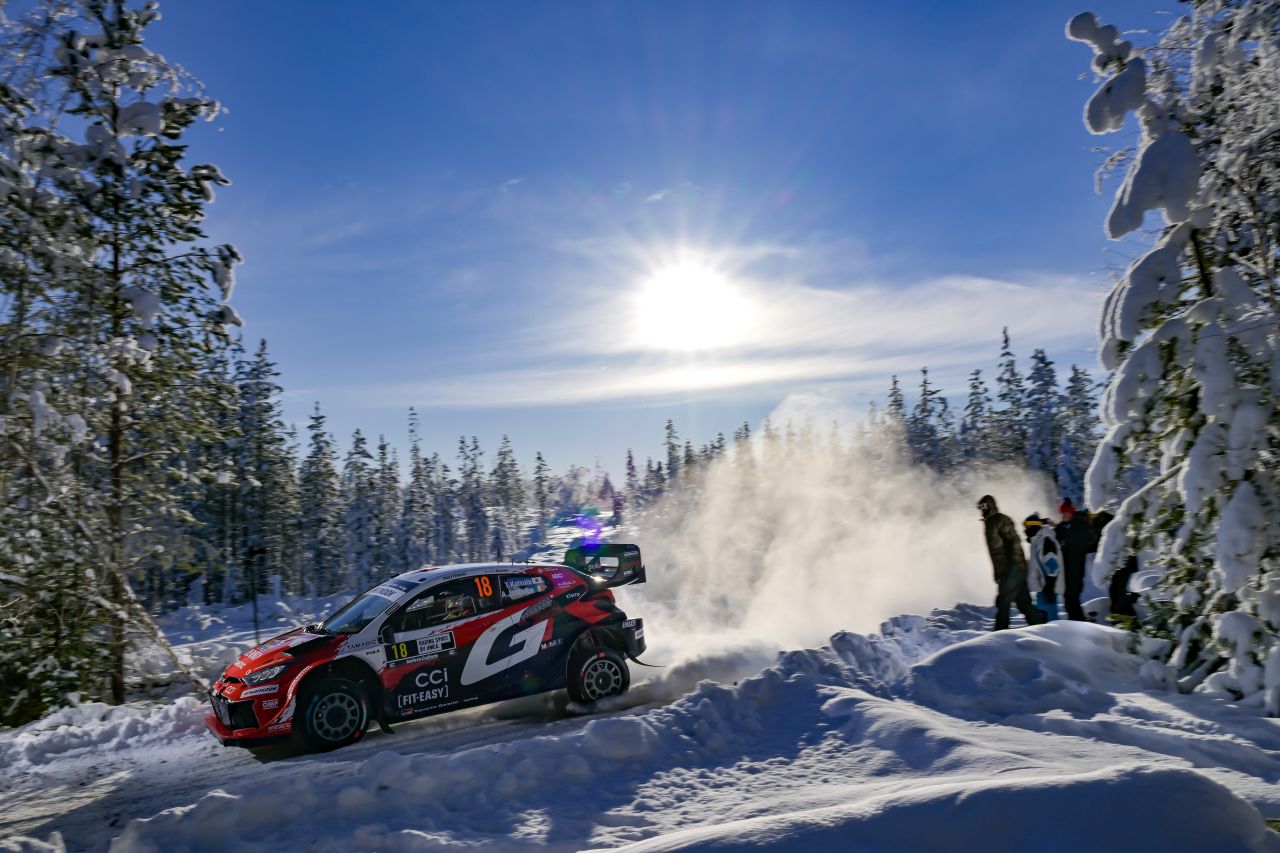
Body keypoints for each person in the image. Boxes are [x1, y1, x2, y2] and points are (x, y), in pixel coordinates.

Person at [979, 495, 1042, 630]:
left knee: (1003, 601)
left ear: (991, 505)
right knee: (1023, 603)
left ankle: (1000, 634)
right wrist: (998, 574)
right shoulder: (989, 524)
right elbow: (996, 554)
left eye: (984, 506)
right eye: (980, 507)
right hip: (1009, 569)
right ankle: (1041, 626)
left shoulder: (1001, 520)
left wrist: (1015, 564)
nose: (982, 509)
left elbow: (1015, 541)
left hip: (1013, 567)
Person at [1055, 498, 1093, 621]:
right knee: (1069, 598)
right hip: (1067, 569)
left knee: (1071, 597)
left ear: (1071, 512)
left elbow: (1075, 540)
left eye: (1067, 512)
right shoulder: (1064, 526)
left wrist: (1061, 531)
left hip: (1075, 569)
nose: (1064, 515)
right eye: (1063, 513)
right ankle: (1077, 621)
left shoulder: (1080, 525)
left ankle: (1077, 623)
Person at [1024, 513, 1064, 621]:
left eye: (1027, 526)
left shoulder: (1046, 541)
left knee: (1050, 622)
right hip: (1042, 590)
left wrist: (1049, 589)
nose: (1025, 530)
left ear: (1033, 526)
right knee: (1043, 623)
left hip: (1048, 591)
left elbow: (1053, 566)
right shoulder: (1037, 542)